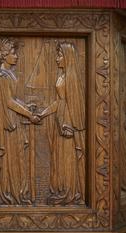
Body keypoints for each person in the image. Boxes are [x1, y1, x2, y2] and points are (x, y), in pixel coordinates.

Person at [0, 38, 40, 205]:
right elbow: (8, 102)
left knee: (18, 158)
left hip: (13, 122)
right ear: (4, 56)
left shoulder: (9, 74)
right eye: (13, 53)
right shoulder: (2, 77)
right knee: (11, 158)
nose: (16, 56)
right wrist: (28, 114)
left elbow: (13, 98)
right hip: (7, 125)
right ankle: (10, 194)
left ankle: (18, 193)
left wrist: (26, 105)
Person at [38, 41, 86, 205]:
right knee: (58, 158)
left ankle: (70, 193)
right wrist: (42, 114)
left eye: (59, 55)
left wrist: (72, 126)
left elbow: (76, 104)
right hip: (59, 123)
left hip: (67, 126)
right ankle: (61, 190)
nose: (57, 59)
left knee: (68, 159)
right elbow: (59, 101)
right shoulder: (62, 76)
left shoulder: (71, 77)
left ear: (67, 57)